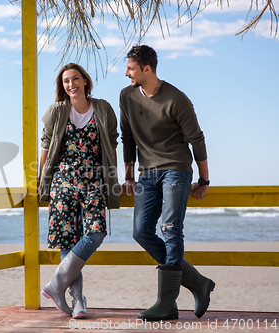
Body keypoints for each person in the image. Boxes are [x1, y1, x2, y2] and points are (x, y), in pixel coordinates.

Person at [120, 45, 215, 321]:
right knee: (141, 232)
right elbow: (127, 137)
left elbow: (197, 139)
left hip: (175, 168)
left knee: (171, 228)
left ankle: (166, 303)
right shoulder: (126, 96)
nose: (127, 73)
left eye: (131, 69)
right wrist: (128, 174)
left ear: (147, 69)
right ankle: (197, 281)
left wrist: (204, 179)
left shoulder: (176, 99)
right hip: (146, 173)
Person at [39, 63, 120, 319]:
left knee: (96, 233)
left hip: (95, 180)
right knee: (68, 241)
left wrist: (115, 178)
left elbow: (112, 145)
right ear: (62, 86)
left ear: (85, 81)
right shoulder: (57, 111)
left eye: (75, 79)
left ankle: (56, 284)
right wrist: (40, 179)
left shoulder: (103, 108)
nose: (71, 84)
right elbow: (46, 146)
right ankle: (78, 301)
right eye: (65, 81)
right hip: (62, 181)